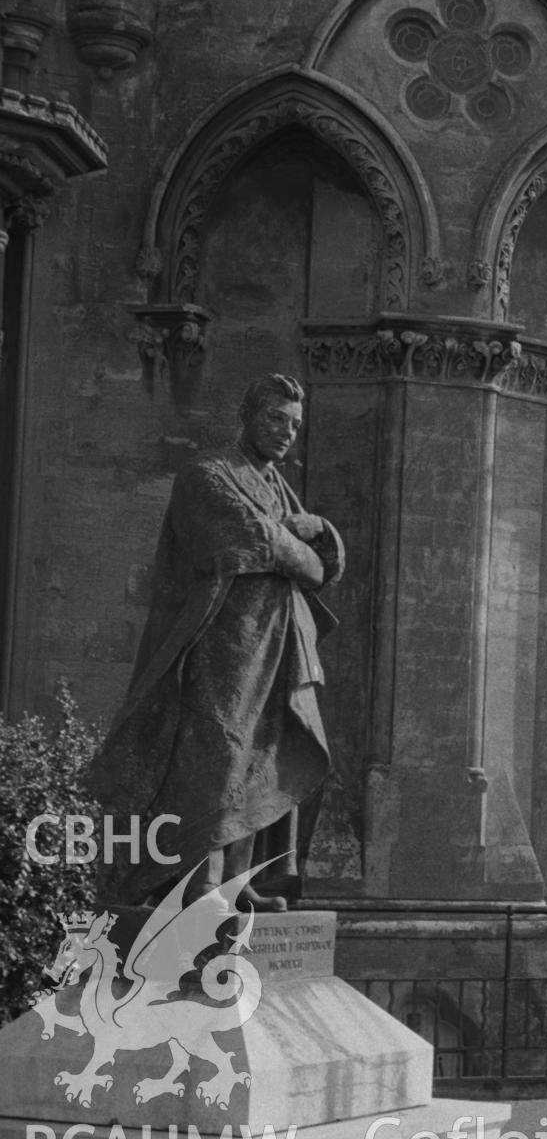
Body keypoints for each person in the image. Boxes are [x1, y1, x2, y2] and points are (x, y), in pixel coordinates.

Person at [89, 373, 342, 911]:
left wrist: (316, 531)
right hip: (221, 645)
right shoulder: (206, 474)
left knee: (263, 758)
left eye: (294, 425)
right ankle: (200, 883)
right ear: (248, 416)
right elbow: (254, 540)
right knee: (219, 755)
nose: (285, 432)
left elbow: (320, 563)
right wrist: (303, 549)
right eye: (276, 418)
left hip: (276, 645)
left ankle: (235, 879)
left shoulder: (276, 486)